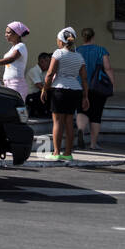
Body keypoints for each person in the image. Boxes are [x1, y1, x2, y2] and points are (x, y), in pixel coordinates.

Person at [41, 27, 89, 162]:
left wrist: (45, 89)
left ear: (61, 41)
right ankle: (68, 153)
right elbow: (84, 78)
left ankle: (56, 152)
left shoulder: (58, 53)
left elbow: (50, 74)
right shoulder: (79, 57)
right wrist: (86, 96)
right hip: (75, 90)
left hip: (59, 89)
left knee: (57, 122)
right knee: (69, 121)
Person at [76, 27, 115, 151]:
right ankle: (93, 144)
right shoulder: (101, 50)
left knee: (82, 111)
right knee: (96, 114)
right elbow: (107, 68)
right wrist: (112, 83)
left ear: (83, 37)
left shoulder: (77, 50)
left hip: (80, 85)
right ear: (93, 37)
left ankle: (81, 129)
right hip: (97, 86)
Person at [0, 21, 29, 98]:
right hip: (8, 84)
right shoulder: (13, 48)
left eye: (8, 33)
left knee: (18, 109)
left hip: (16, 85)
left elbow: (11, 59)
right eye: (6, 33)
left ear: (17, 34)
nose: (6, 35)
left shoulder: (20, 46)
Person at [25, 52, 52, 119]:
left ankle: (48, 112)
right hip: (31, 97)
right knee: (49, 92)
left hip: (39, 95)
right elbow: (40, 86)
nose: (50, 64)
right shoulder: (34, 70)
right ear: (42, 61)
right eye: (49, 62)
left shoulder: (45, 72)